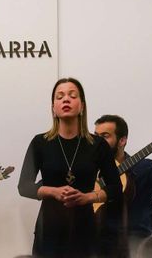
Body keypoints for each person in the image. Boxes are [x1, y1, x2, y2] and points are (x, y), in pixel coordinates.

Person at [17, 78, 123, 257]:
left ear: (82, 106)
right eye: (60, 97)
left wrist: (87, 197)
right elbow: (24, 186)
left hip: (85, 230)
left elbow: (115, 188)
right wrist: (53, 192)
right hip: (48, 231)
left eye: (72, 96)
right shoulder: (40, 143)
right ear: (53, 108)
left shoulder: (98, 145)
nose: (66, 99)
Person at [93, 114, 152, 255]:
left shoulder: (145, 168)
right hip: (98, 245)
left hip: (138, 246)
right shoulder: (89, 169)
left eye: (105, 136)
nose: (98, 141)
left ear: (122, 140)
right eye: (95, 136)